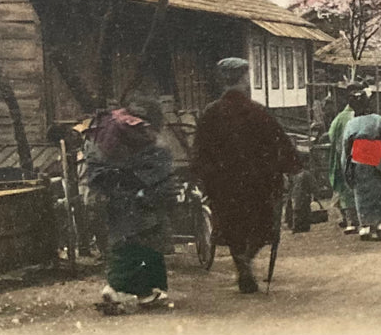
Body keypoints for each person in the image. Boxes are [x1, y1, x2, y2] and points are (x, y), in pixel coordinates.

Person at [192, 58, 301, 294]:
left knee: (232, 227)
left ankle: (240, 262)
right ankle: (246, 261)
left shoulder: (210, 113)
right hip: (257, 183)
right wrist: (291, 166)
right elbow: (280, 142)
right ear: (243, 79)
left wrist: (205, 177)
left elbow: (199, 151)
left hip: (222, 185)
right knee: (262, 226)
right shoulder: (257, 111)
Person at [85, 94, 176, 314]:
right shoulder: (144, 134)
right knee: (139, 242)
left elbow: (96, 161)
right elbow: (158, 163)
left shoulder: (109, 125)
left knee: (126, 239)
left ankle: (145, 292)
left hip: (112, 189)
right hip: (139, 191)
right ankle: (115, 287)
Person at [341, 95, 381, 241]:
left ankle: (365, 226)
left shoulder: (351, 124)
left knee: (361, 193)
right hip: (378, 160)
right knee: (380, 192)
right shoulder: (378, 120)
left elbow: (346, 147)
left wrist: (346, 167)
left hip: (357, 161)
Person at [326, 83, 361, 234]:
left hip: (345, 157)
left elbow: (331, 135)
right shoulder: (365, 116)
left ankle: (350, 221)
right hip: (363, 157)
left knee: (346, 190)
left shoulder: (340, 118)